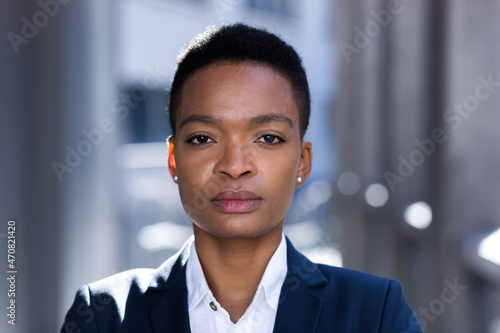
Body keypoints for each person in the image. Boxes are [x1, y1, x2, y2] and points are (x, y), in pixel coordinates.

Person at [61, 23, 422, 333]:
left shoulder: (375, 313)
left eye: (268, 138)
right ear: (173, 160)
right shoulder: (103, 316)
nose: (235, 166)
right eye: (203, 138)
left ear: (303, 161)